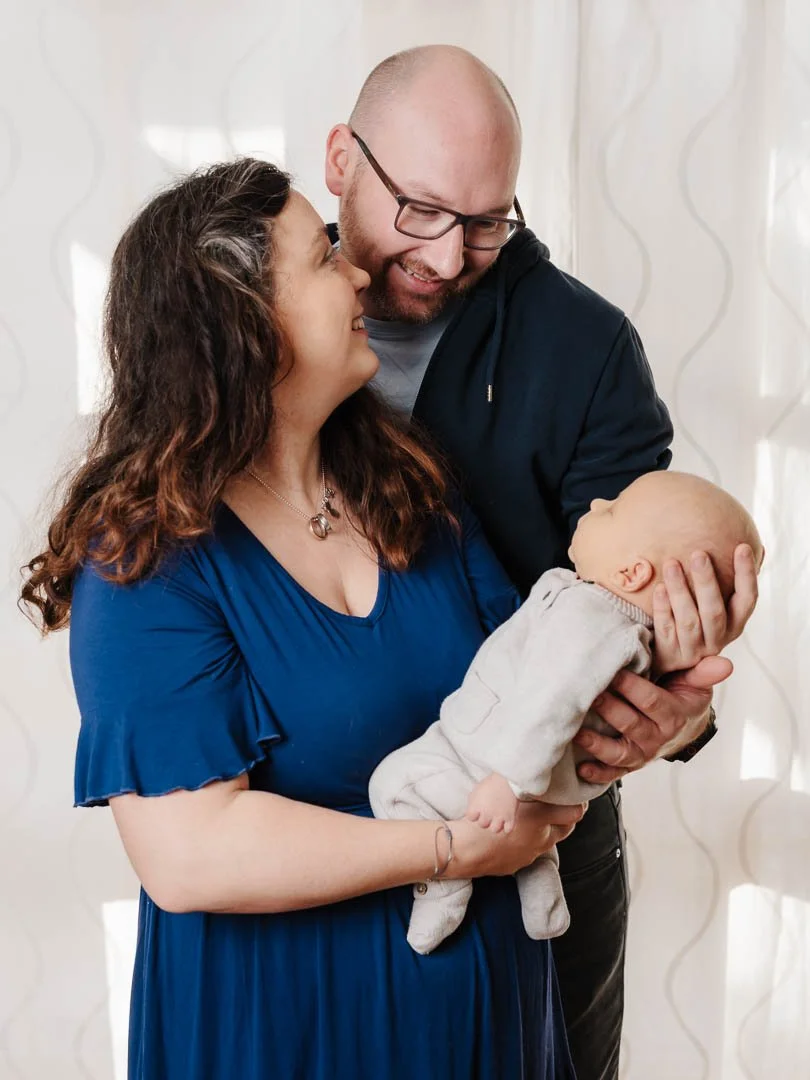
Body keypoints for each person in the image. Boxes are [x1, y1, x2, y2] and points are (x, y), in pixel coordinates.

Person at [21, 160, 589, 1079]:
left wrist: (656, 691)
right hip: (284, 1030)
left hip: (488, 1020)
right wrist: (457, 848)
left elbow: (534, 671)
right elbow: (190, 855)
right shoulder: (146, 558)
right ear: (245, 323)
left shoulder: (411, 485)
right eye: (323, 258)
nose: (358, 271)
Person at [323, 45, 760, 1079]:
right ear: (341, 157)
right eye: (420, 209)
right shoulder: (255, 312)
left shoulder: (585, 346)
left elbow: (638, 594)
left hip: (535, 841)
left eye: (487, 222)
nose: (447, 252)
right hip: (321, 830)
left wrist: (677, 713)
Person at [370, 471, 763, 955]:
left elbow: (547, 700)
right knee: (526, 831)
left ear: (632, 573)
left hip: (491, 761)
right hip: (545, 783)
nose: (596, 501)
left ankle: (446, 887)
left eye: (613, 508)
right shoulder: (624, 633)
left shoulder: (588, 618)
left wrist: (507, 779)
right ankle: (541, 890)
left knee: (392, 784)